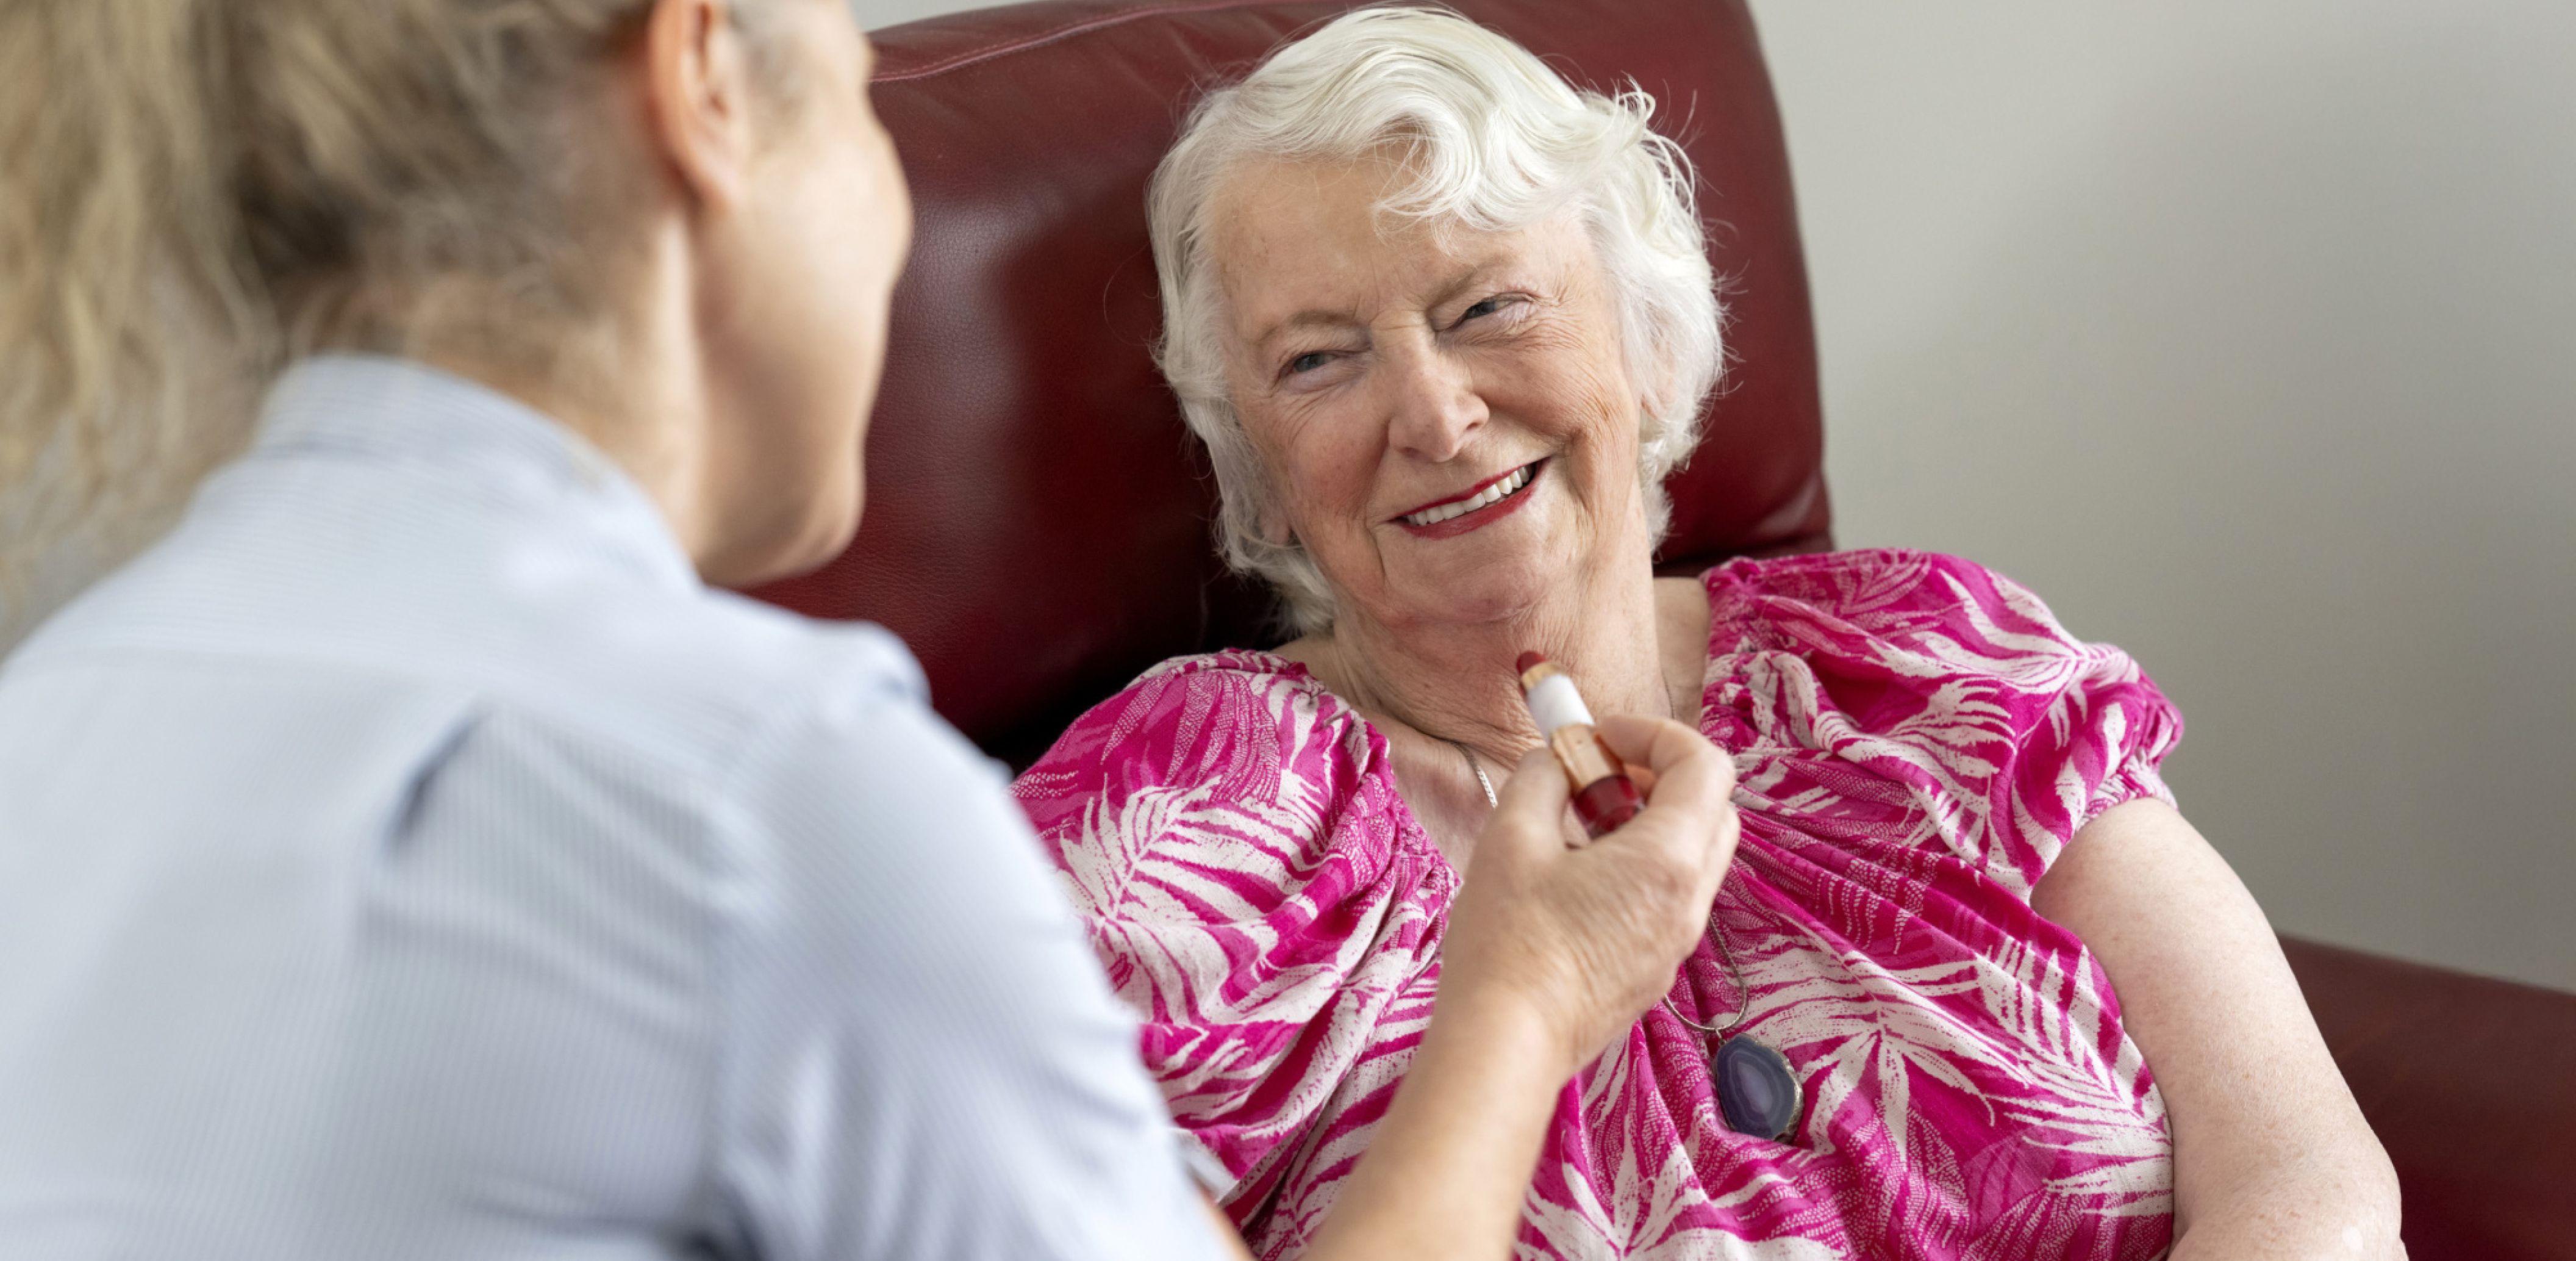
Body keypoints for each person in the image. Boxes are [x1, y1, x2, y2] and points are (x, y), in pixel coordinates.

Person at [0, 2, 1742, 1259]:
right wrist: (1527, 992)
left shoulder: (51, 721)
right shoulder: (762, 799)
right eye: (852, 100)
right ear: (704, 88)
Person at [1011, 8, 2405, 1259]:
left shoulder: (1921, 663)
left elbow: (2307, 1179)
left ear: (1645, 333)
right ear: (1255, 464)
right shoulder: (1176, 817)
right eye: (1319, 357)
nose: (1433, 416)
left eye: (1488, 304)